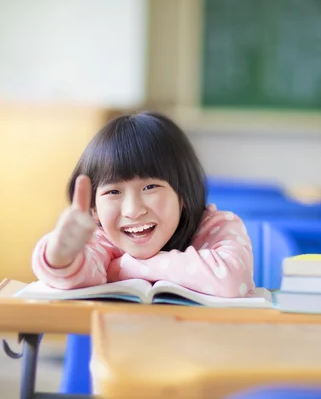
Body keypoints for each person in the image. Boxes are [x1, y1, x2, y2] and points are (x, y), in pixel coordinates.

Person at [32, 111, 254, 298]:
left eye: (150, 188)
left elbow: (233, 280)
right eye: (113, 191)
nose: (133, 211)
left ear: (183, 194)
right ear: (94, 209)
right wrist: (59, 257)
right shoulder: (103, 239)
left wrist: (126, 267)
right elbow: (78, 272)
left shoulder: (217, 226)